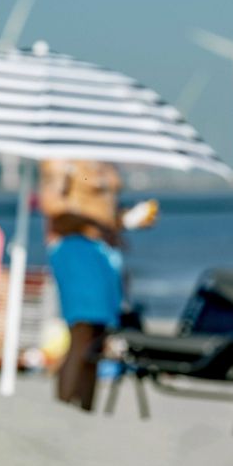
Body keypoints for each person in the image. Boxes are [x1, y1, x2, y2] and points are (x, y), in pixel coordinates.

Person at [38, 160, 157, 411]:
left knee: (98, 337)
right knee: (81, 330)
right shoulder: (63, 158)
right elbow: (51, 205)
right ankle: (64, 408)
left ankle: (84, 410)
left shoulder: (105, 153)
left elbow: (101, 209)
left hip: (103, 252)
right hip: (75, 249)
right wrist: (106, 222)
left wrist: (127, 219)